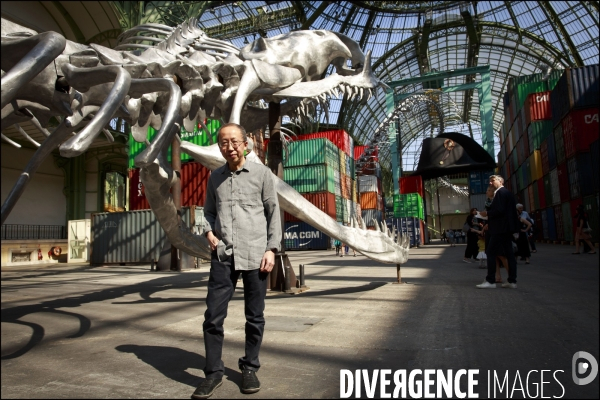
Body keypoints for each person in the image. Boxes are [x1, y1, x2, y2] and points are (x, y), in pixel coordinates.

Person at [194, 123, 281, 399]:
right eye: (223, 143)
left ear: (245, 144)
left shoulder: (262, 174)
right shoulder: (214, 178)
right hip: (224, 256)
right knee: (212, 317)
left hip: (257, 256)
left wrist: (271, 249)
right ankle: (213, 373)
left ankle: (249, 368)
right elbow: (206, 212)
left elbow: (273, 214)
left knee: (254, 317)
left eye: (234, 142)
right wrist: (208, 231)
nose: (228, 147)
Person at [476, 175, 520, 289]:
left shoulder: (500, 193)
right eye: (489, 181)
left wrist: (487, 214)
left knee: (490, 252)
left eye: (493, 180)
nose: (490, 183)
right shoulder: (507, 193)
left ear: (500, 181)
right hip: (506, 228)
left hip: (499, 229)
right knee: (509, 254)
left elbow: (500, 210)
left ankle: (490, 281)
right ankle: (512, 281)